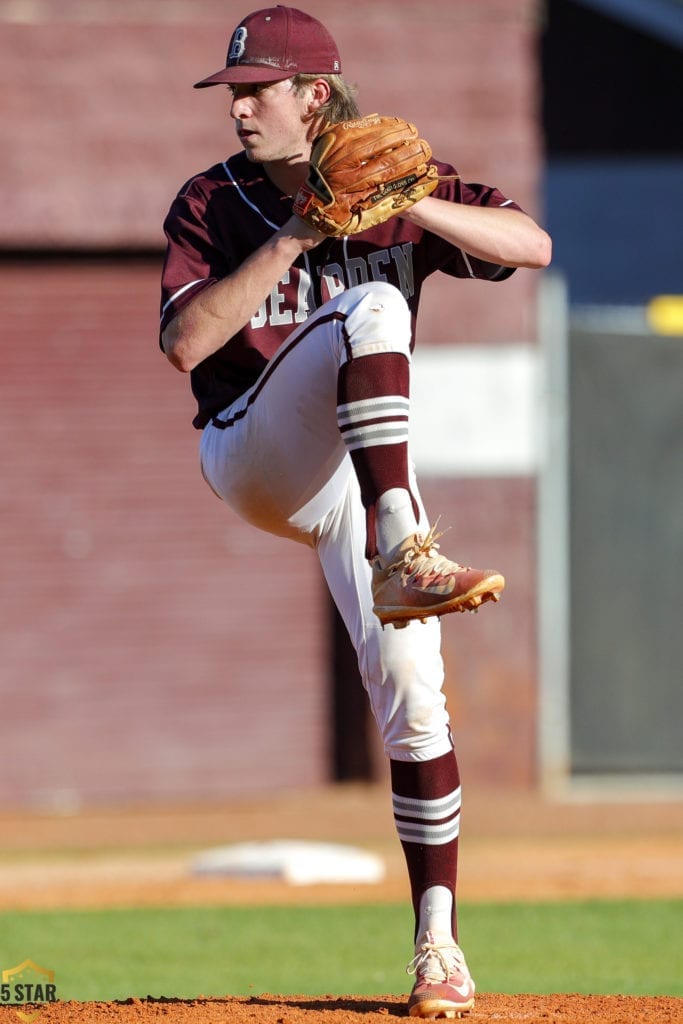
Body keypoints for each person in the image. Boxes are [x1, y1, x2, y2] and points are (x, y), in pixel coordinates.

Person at [159, 5, 551, 1017]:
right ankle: (400, 542)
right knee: (371, 309)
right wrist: (295, 234)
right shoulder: (213, 197)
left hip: (355, 484)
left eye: (257, 89)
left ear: (314, 96)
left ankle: (437, 950)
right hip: (251, 446)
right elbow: (186, 344)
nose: (239, 106)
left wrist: (420, 206)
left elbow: (530, 243)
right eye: (234, 91)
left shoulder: (389, 186)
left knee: (416, 694)